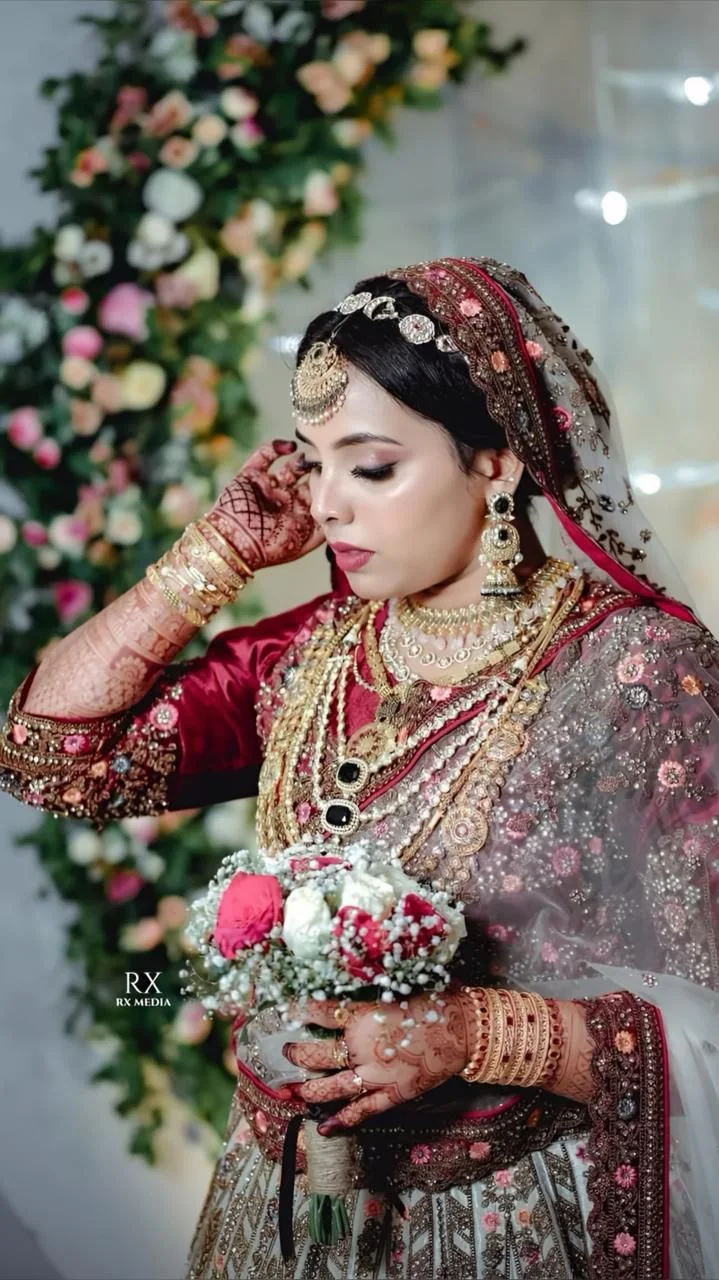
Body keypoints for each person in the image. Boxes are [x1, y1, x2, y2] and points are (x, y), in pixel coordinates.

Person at [1, 257, 717, 1280]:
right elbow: (50, 755)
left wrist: (474, 1031)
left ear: (497, 460)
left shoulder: (636, 671)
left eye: (370, 467)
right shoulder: (312, 653)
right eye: (313, 461)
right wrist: (221, 549)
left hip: (515, 1224)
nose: (329, 505)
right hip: (287, 1214)